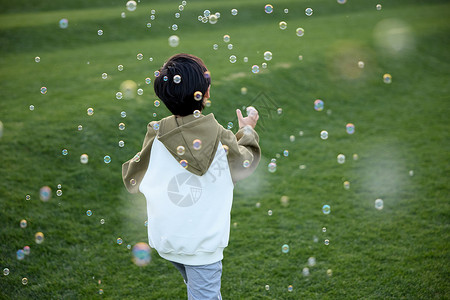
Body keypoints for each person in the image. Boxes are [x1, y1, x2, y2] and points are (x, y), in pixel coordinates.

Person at [122, 53, 260, 299]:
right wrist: (247, 130)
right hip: (203, 247)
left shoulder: (156, 135)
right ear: (206, 94)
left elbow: (132, 179)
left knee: (195, 286)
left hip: (168, 241)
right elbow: (244, 163)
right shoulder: (222, 136)